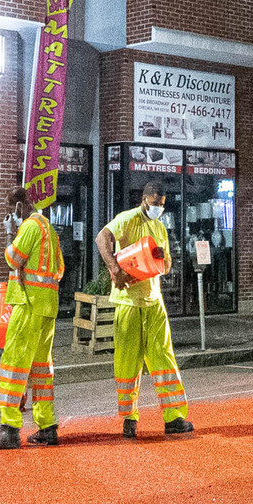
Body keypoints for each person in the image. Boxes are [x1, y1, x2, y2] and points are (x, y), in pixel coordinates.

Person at [96, 183, 193, 438]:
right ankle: (129, 419)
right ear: (143, 200)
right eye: (154, 203)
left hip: (154, 301)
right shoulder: (126, 219)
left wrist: (162, 259)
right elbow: (101, 237)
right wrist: (115, 269)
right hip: (128, 301)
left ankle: (174, 417)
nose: (158, 208)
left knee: (163, 359)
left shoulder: (160, 227)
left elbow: (167, 265)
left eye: (161, 204)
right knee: (128, 361)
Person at [0, 186, 65, 449]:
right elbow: (60, 269)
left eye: (11, 211)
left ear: (20, 207)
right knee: (41, 369)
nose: (11, 216)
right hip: (47, 306)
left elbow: (12, 259)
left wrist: (10, 233)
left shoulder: (30, 227)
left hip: (28, 305)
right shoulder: (49, 230)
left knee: (13, 365)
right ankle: (47, 427)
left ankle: (9, 429)